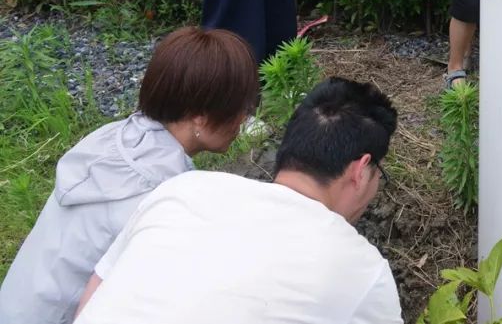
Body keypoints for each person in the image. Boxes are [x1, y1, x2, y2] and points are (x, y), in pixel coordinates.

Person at [73, 76, 402, 324]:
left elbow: (94, 297)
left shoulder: (182, 189)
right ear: (360, 171)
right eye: (378, 174)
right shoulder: (362, 270)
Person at [0, 27, 259, 324]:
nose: (244, 118)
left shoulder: (113, 137)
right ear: (200, 114)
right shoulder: (162, 194)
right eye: (242, 106)